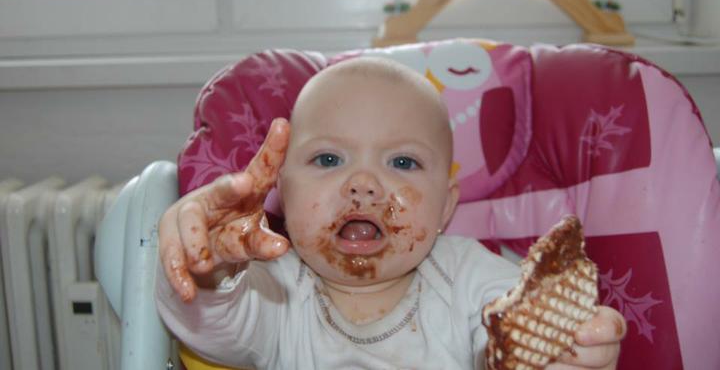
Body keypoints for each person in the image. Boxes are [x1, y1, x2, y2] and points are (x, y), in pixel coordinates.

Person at [156, 57, 626, 369]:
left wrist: (560, 352)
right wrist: (210, 267)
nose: (363, 183)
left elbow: (510, 331)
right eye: (328, 159)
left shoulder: (468, 279)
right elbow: (209, 326)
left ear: (445, 205)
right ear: (282, 192)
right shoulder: (276, 290)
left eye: (402, 163)